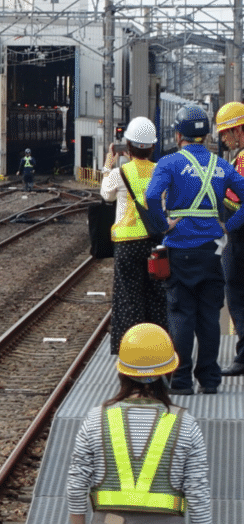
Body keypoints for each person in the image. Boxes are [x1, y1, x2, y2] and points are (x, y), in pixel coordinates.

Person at [67, 323, 212, 524]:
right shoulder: (186, 424)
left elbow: (76, 487)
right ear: (168, 371)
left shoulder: (96, 419)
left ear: (122, 371)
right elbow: (198, 494)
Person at [145, 103, 244, 395]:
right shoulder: (222, 165)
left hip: (179, 250)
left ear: (178, 136)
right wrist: (229, 225)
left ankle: (181, 380)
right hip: (212, 251)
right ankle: (210, 380)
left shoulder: (169, 163)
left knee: (181, 314)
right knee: (209, 316)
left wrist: (162, 225)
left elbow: (152, 196)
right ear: (207, 135)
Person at [99, 117, 166, 353]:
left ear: (128, 146)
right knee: (156, 297)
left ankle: (131, 349)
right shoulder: (159, 171)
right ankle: (157, 347)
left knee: (128, 299)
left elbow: (106, 195)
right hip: (154, 242)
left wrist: (108, 163)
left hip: (127, 244)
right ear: (152, 147)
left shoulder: (120, 173)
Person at [216, 100, 244, 375]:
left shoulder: (243, 160)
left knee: (237, 297)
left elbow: (237, 202)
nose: (224, 139)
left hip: (240, 241)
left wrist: (227, 225)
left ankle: (243, 357)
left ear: (238, 130)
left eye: (226, 133)